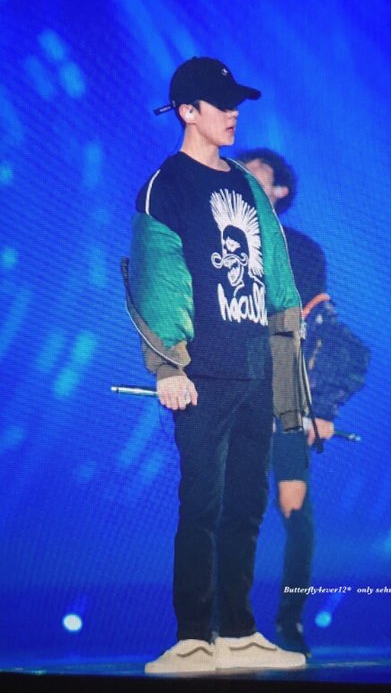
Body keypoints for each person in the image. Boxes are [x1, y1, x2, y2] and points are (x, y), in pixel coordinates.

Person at [121, 59, 310, 674]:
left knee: (246, 506)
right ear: (187, 111)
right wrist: (168, 366)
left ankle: (238, 629)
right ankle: (192, 637)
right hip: (202, 374)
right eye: (220, 104)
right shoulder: (166, 185)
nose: (232, 114)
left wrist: (287, 378)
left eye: (236, 104)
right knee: (201, 504)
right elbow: (157, 279)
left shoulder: (247, 184)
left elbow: (277, 278)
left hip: (256, 368)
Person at [237, 148, 370, 657]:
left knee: (294, 506)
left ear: (280, 191)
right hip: (230, 388)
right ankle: (226, 624)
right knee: (228, 506)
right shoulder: (210, 242)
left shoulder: (302, 250)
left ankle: (289, 622)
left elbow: (321, 332)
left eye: (258, 174)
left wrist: (324, 408)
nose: (245, 179)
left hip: (285, 391)